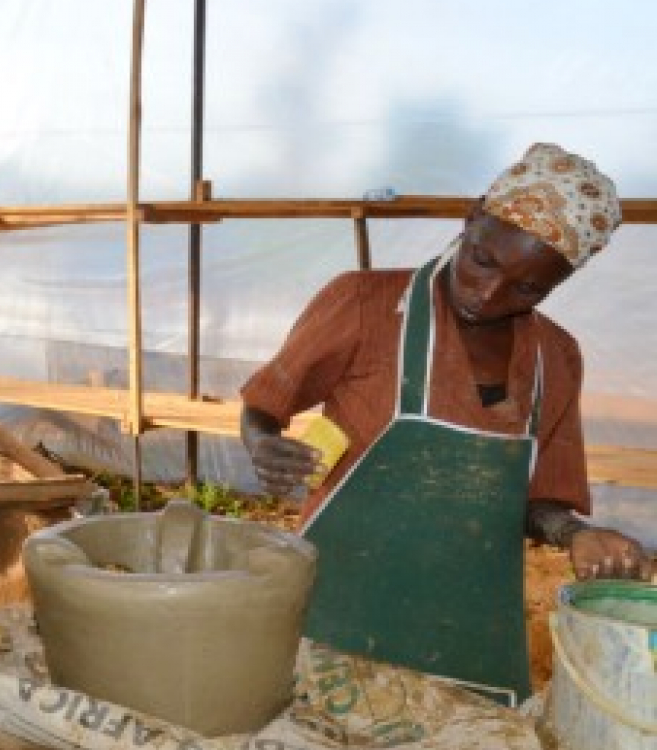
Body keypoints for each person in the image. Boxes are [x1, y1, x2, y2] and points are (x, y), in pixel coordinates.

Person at [240, 142, 651, 704]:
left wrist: (575, 534)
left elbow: (540, 501)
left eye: (528, 289)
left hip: (468, 630)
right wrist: (262, 442)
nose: (489, 293)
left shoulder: (555, 357)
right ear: (472, 217)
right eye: (484, 260)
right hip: (335, 610)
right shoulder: (365, 304)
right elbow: (265, 404)